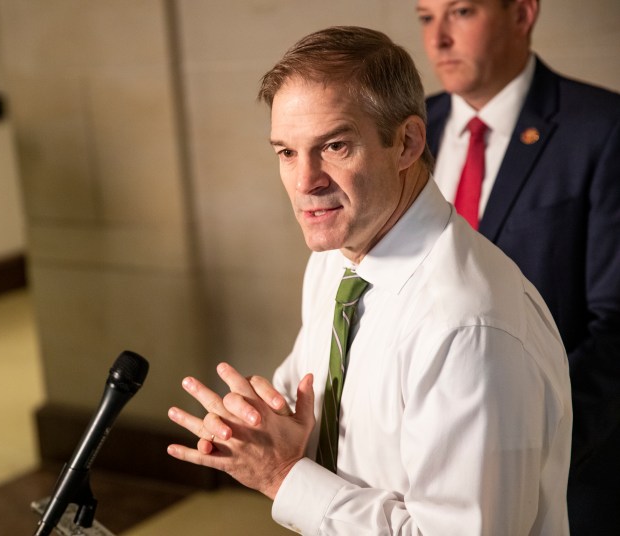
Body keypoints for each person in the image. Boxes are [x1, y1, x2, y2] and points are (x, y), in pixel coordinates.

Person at [166, 26, 572, 534]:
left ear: (407, 143)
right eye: (286, 152)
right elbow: (311, 403)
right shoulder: (336, 259)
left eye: (334, 146)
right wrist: (256, 425)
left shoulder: (469, 329)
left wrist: (282, 476)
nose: (304, 181)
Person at [415, 1, 620, 532]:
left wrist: (531, 443)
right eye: (424, 16)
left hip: (564, 473)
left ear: (522, 14)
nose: (437, 39)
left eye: (460, 12)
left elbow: (616, 323)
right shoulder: (410, 129)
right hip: (423, 463)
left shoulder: (602, 127)